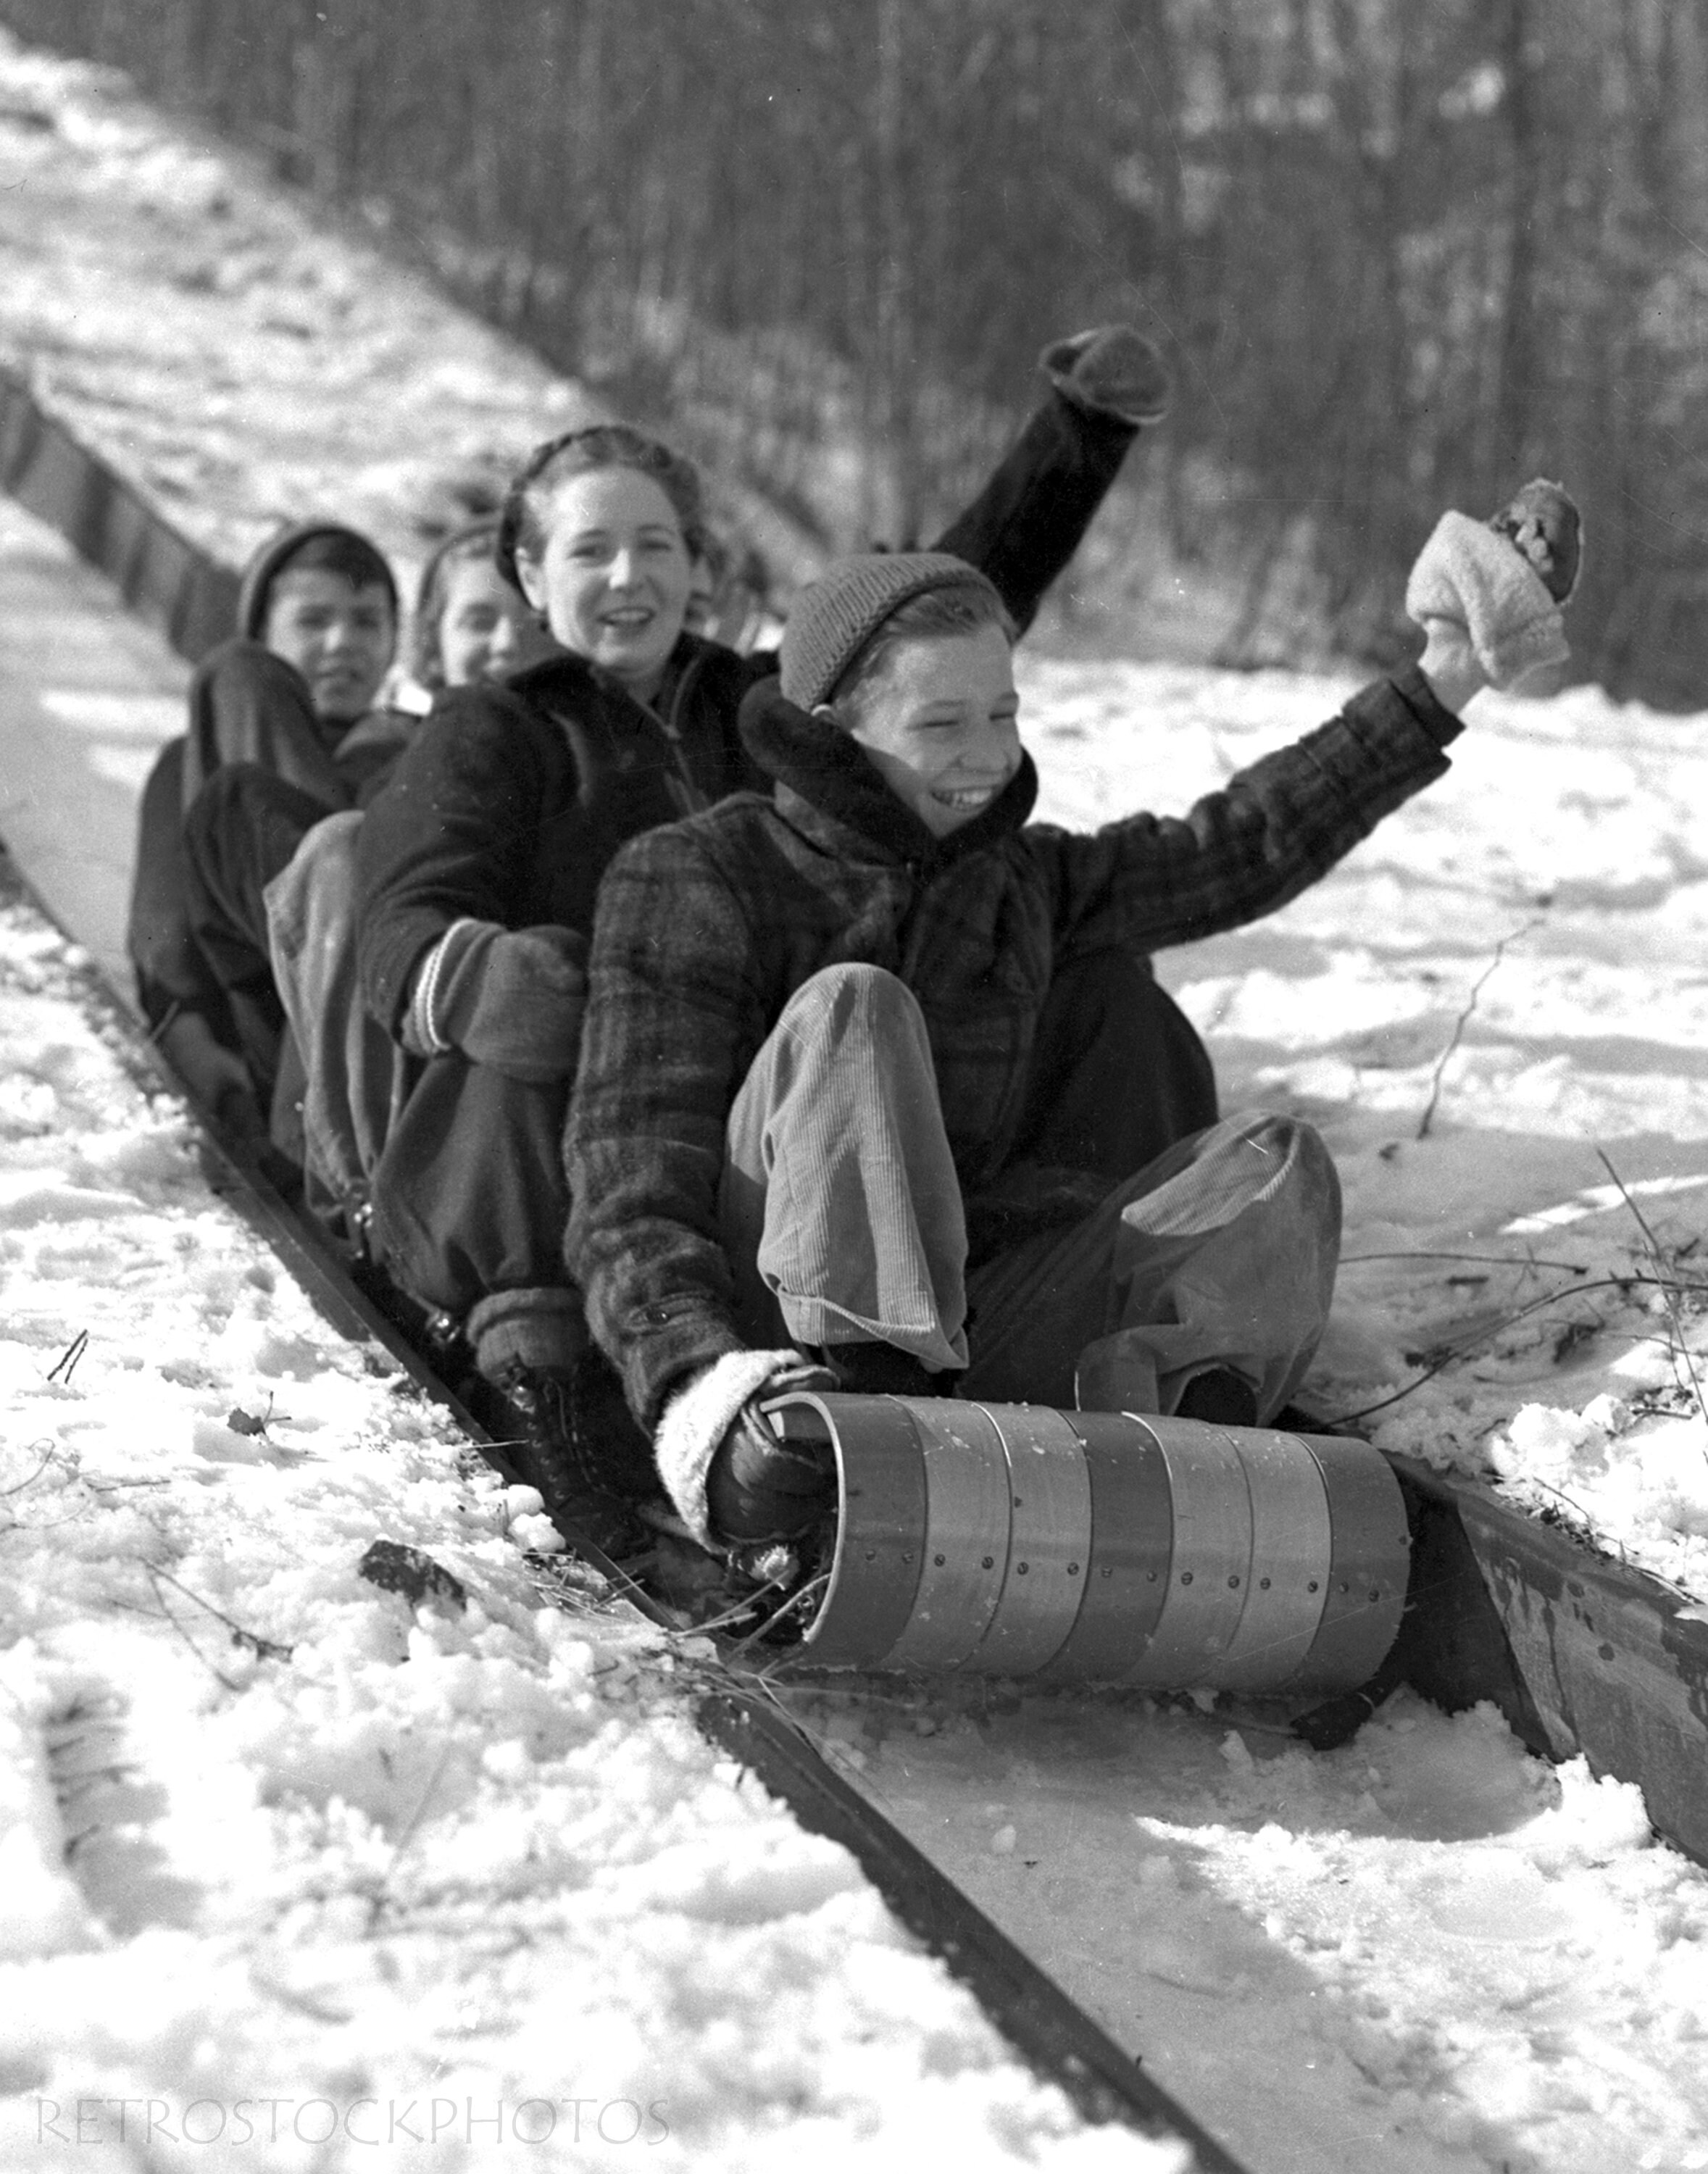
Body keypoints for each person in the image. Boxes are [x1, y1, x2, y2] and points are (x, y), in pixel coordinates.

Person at [562, 519, 1571, 1562]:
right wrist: (690, 1375)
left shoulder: (1022, 882)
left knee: (1272, 1165)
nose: (990, 754)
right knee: (852, 1008)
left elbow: (1242, 843)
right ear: (830, 734)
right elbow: (630, 1169)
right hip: (772, 1348)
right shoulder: (699, 873)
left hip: (960, 1338)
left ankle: (1174, 1448)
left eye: (1002, 712)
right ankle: (859, 1426)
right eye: (942, 722)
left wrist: (1442, 679)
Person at [350, 328, 1182, 1529]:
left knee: (1078, 973)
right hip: (564, 1154)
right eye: (590, 550)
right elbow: (397, 925)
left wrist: (1080, 438)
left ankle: (1071, 1315)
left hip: (757, 1125)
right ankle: (551, 1372)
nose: (626, 576)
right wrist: (494, 977)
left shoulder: (753, 711)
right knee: (558, 1009)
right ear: (532, 579)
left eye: (656, 546)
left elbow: (940, 597)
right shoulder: (497, 727)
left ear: (699, 567)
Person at [126, 522, 404, 1138]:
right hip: (250, 1022)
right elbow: (162, 919)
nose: (343, 643)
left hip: (363, 1027)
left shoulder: (406, 748)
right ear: (265, 630)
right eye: (314, 621)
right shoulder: (193, 760)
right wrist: (189, 1032)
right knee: (233, 684)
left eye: (367, 622)